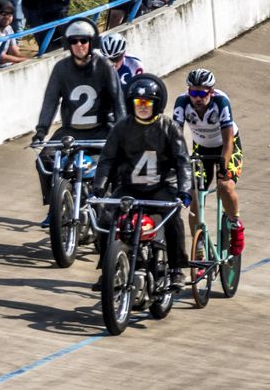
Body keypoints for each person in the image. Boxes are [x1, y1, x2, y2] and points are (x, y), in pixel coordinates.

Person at [93, 74, 190, 290]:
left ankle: (176, 269)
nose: (143, 106)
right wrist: (99, 186)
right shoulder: (121, 127)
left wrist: (184, 191)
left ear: (157, 104)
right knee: (106, 218)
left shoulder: (169, 127)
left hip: (161, 187)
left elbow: (182, 161)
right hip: (130, 187)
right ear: (131, 103)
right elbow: (107, 159)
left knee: (173, 218)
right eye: (139, 102)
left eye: (148, 102)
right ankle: (108, 269)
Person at [30, 19, 124, 227]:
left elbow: (118, 102)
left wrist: (123, 133)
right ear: (68, 44)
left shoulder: (105, 67)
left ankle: (115, 208)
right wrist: (41, 131)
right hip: (70, 131)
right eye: (74, 41)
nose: (79, 45)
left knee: (118, 163)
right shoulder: (61, 68)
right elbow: (50, 100)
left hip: (101, 129)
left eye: (84, 40)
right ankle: (56, 206)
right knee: (44, 159)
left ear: (92, 42)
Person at [172, 68, 244, 255]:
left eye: (202, 93)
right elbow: (175, 138)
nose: (197, 98)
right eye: (193, 92)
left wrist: (223, 167)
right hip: (202, 147)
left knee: (225, 186)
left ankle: (235, 224)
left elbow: (228, 141)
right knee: (195, 194)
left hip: (226, 146)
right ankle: (199, 248)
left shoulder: (221, 102)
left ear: (211, 92)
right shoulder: (182, 103)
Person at [0, 0, 28, 66]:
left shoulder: (8, 28)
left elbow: (14, 52)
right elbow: (0, 58)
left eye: (10, 13)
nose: (7, 17)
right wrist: (24, 60)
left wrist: (28, 60)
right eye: (3, 13)